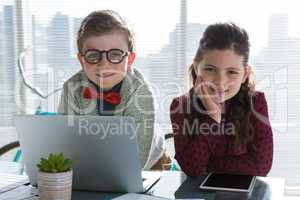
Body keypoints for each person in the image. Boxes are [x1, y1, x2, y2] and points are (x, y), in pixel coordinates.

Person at [58, 10, 171, 170]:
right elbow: (66, 142)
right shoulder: (71, 88)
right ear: (81, 60)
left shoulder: (141, 92)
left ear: (130, 59)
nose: (104, 64)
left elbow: (137, 161)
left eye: (115, 54)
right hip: (96, 160)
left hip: (150, 162)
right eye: (93, 55)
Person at [170, 22, 273, 176]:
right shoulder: (180, 105)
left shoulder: (256, 103)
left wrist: (209, 165)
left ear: (244, 74)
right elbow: (191, 169)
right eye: (210, 69)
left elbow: (261, 165)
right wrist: (213, 117)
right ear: (197, 67)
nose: (220, 81)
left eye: (231, 72)